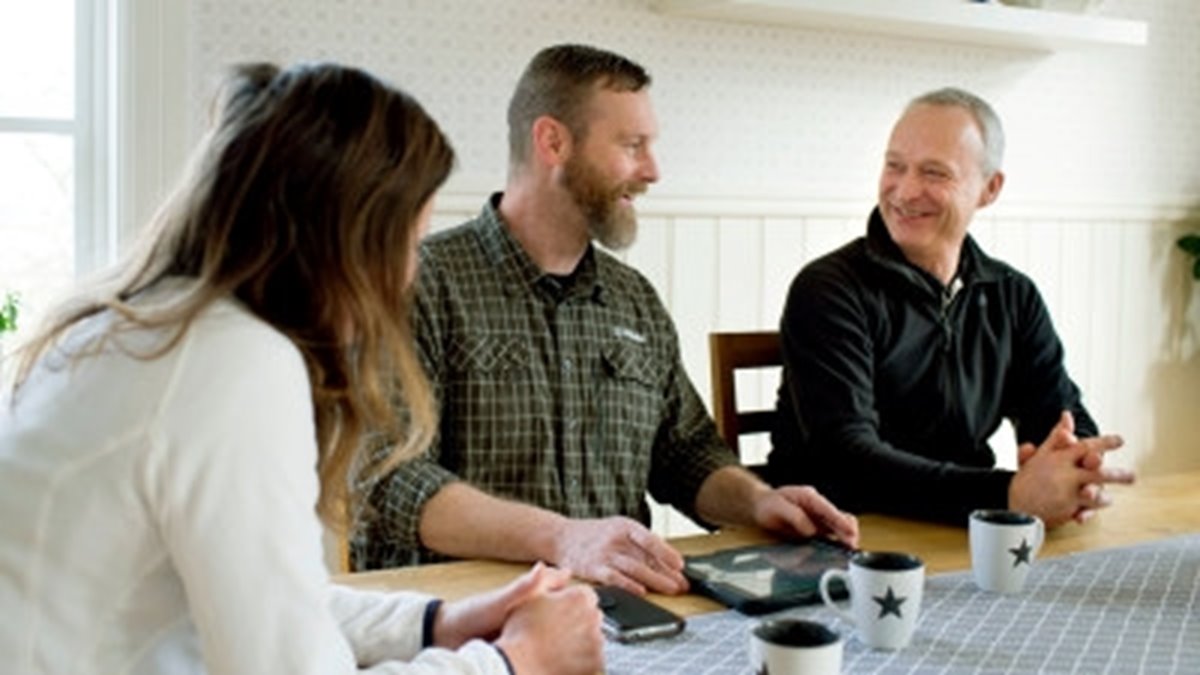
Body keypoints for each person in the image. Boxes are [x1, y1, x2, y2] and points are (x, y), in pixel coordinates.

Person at [0, 62, 603, 675]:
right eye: (408, 242)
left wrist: (438, 625)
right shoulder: (231, 367)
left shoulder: (144, 333)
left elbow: (274, 600)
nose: (409, 275)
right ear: (348, 240)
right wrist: (513, 661)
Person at [352, 43, 859, 594]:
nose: (653, 170)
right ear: (553, 141)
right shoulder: (419, 284)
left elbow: (684, 451)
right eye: (632, 145)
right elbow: (389, 477)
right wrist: (563, 539)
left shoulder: (633, 299)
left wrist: (759, 501)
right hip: (463, 617)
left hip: (622, 609)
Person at [765, 87, 1135, 529]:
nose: (904, 190)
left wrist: (1075, 471)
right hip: (838, 539)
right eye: (894, 166)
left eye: (934, 173)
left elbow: (1059, 418)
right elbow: (849, 460)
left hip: (966, 533)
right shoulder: (828, 289)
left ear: (989, 188)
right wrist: (1010, 494)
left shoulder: (1013, 295)